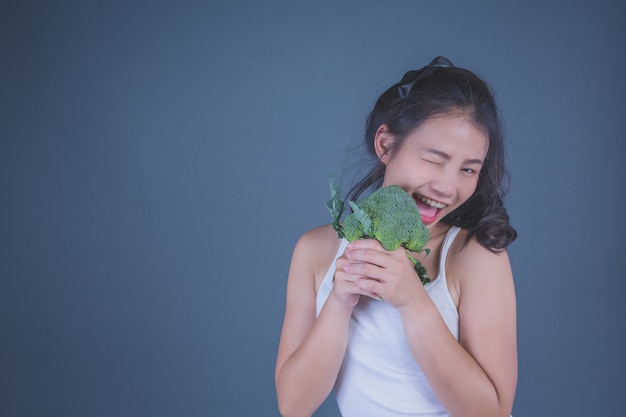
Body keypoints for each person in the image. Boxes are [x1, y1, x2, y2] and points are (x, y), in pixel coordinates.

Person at [275, 56, 518, 417]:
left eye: (468, 169)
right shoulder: (316, 251)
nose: (448, 187)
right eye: (436, 160)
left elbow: (491, 413)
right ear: (385, 144)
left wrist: (414, 303)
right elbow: (294, 405)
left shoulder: (474, 257)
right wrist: (340, 302)